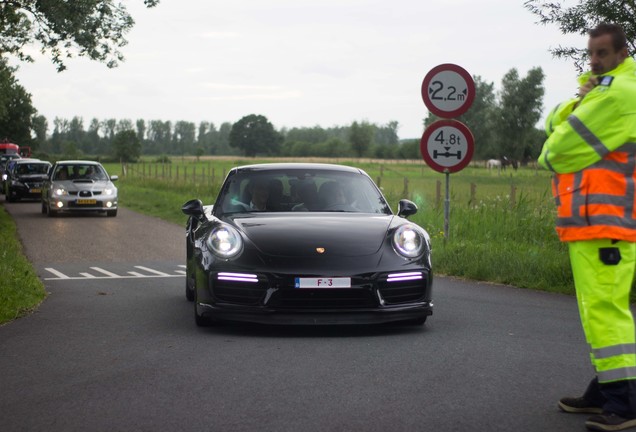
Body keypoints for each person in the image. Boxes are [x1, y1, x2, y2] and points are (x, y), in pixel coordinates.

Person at [538, 23, 636, 432]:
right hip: (592, 224)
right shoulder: (601, 94)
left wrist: (579, 106)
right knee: (596, 311)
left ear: (621, 55)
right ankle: (607, 387)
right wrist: (579, 102)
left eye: (603, 53)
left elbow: (554, 152)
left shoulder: (616, 96)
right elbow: (552, 124)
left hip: (606, 223)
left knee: (606, 311)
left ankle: (625, 402)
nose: (594, 60)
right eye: (591, 53)